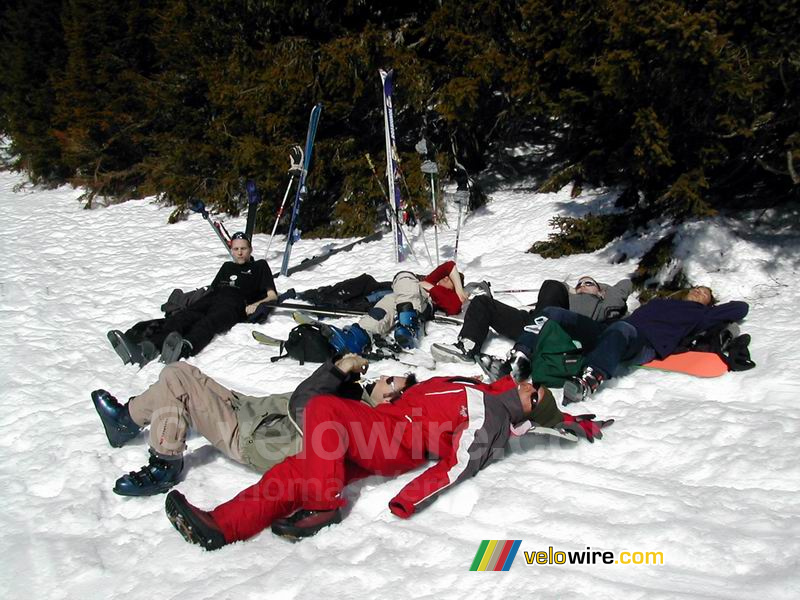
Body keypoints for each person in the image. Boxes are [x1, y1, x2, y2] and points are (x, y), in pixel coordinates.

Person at [162, 374, 611, 550]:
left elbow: (453, 469)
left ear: (527, 409)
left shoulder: (487, 417)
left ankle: (325, 505)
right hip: (377, 425)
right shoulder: (480, 387)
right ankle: (222, 526)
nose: (531, 385)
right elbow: (539, 405)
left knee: (323, 409)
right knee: (292, 472)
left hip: (390, 443)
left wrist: (407, 500)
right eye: (535, 384)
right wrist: (576, 422)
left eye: (535, 395)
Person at [90, 352, 412, 496]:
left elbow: (305, 406)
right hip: (252, 413)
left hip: (251, 438)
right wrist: (343, 376)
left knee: (175, 379)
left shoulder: (360, 417)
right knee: (183, 377)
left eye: (390, 380)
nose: (382, 376)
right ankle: (124, 421)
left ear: (391, 398)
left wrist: (338, 371)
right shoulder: (358, 400)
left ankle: (164, 463)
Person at [526, 286, 749, 404]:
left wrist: (714, 310)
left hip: (644, 343)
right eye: (696, 288)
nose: (698, 292)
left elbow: (741, 308)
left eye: (704, 293)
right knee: (552, 313)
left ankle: (589, 379)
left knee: (622, 330)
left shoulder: (703, 314)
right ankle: (519, 356)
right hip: (614, 332)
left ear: (709, 302)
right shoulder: (662, 302)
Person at [107, 232, 278, 366]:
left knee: (209, 322)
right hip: (214, 296)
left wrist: (255, 305)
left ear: (251, 249)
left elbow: (272, 296)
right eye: (235, 249)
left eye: (243, 248)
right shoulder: (227, 266)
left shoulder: (259, 266)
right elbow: (212, 288)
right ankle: (147, 349)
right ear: (231, 250)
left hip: (235, 303)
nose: (239, 252)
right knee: (183, 317)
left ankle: (184, 348)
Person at [432, 276, 632, 378]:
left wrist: (604, 290)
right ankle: (467, 346)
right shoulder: (567, 295)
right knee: (484, 302)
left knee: (553, 285)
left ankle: (523, 359)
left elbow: (626, 285)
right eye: (578, 284)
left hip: (568, 330)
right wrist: (569, 291)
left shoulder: (605, 303)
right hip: (535, 322)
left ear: (600, 290)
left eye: (588, 283)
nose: (581, 286)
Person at [338, 260, 468, 351]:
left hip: (421, 304)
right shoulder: (433, 281)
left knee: (407, 284)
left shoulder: (451, 296)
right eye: (446, 277)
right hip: (402, 297)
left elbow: (454, 307)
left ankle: (409, 326)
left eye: (449, 279)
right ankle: (360, 334)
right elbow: (449, 266)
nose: (445, 278)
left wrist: (458, 290)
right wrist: (429, 284)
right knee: (384, 307)